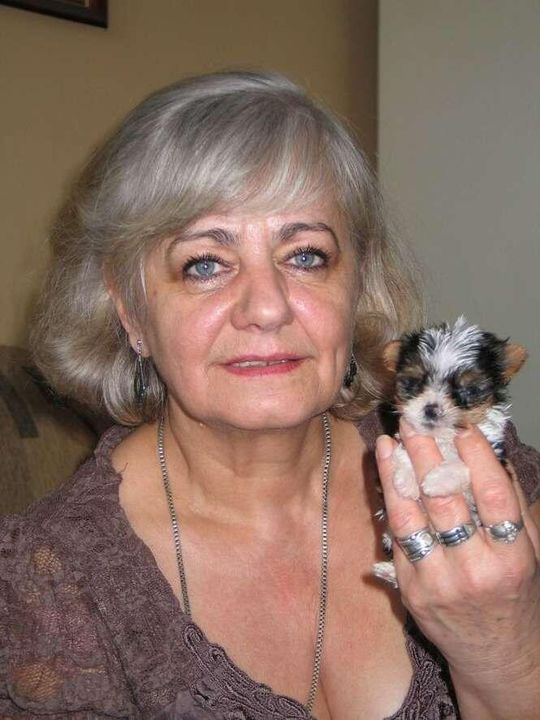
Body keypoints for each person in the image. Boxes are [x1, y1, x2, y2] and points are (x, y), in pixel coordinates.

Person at [1, 71, 539, 720]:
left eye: (306, 256)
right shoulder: (53, 588)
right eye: (205, 264)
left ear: (358, 286)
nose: (267, 307)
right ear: (130, 310)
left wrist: (503, 657)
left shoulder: (474, 472)